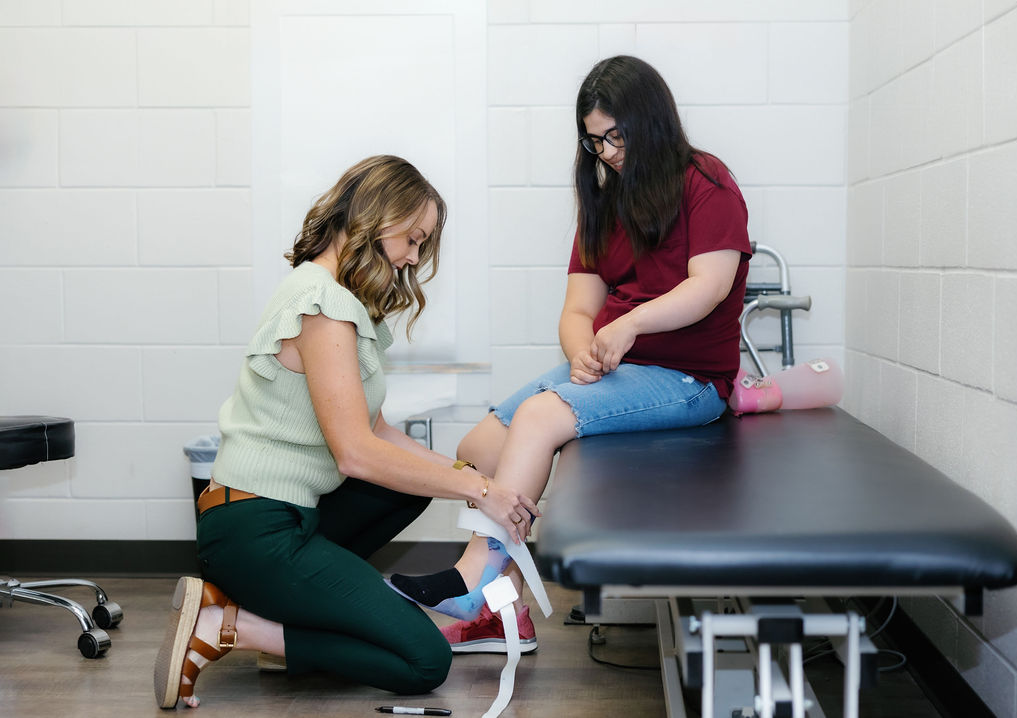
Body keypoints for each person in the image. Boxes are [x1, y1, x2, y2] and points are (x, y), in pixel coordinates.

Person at [387, 56, 752, 653]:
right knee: (477, 448)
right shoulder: (603, 203)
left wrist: (628, 327)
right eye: (593, 140)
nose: (605, 152)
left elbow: (708, 285)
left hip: (690, 380)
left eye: (615, 136)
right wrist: (584, 354)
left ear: (650, 122)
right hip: (624, 370)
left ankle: (473, 581)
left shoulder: (707, 183)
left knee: (537, 418)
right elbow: (579, 308)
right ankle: (505, 615)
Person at [154, 155, 541, 709]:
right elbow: (357, 454)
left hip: (282, 518)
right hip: (255, 530)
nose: (411, 258)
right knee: (423, 659)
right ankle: (228, 627)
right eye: (412, 239)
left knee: (415, 482)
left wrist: (470, 477)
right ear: (377, 215)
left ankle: (272, 607)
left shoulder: (341, 300)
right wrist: (483, 492)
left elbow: (377, 431)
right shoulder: (323, 305)